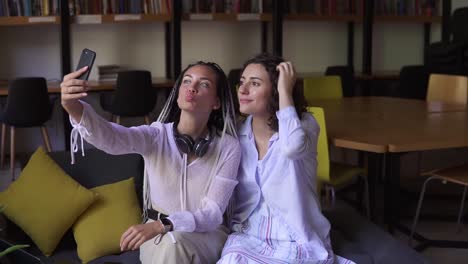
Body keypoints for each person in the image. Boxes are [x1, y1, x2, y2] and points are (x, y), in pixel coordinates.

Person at [61, 61, 240, 264]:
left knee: (176, 243)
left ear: (216, 102)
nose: (192, 87)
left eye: (204, 84)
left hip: (207, 238)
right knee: (171, 245)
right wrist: (74, 107)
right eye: (187, 81)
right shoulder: (156, 136)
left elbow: (213, 214)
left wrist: (163, 225)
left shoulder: (228, 147)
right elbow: (111, 138)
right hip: (157, 240)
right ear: (178, 92)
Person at [218, 54, 354, 263]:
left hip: (294, 236)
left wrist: (285, 91)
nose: (243, 90)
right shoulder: (237, 132)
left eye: (254, 83)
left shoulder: (304, 125)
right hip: (249, 234)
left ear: (276, 91)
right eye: (242, 82)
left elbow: (292, 148)